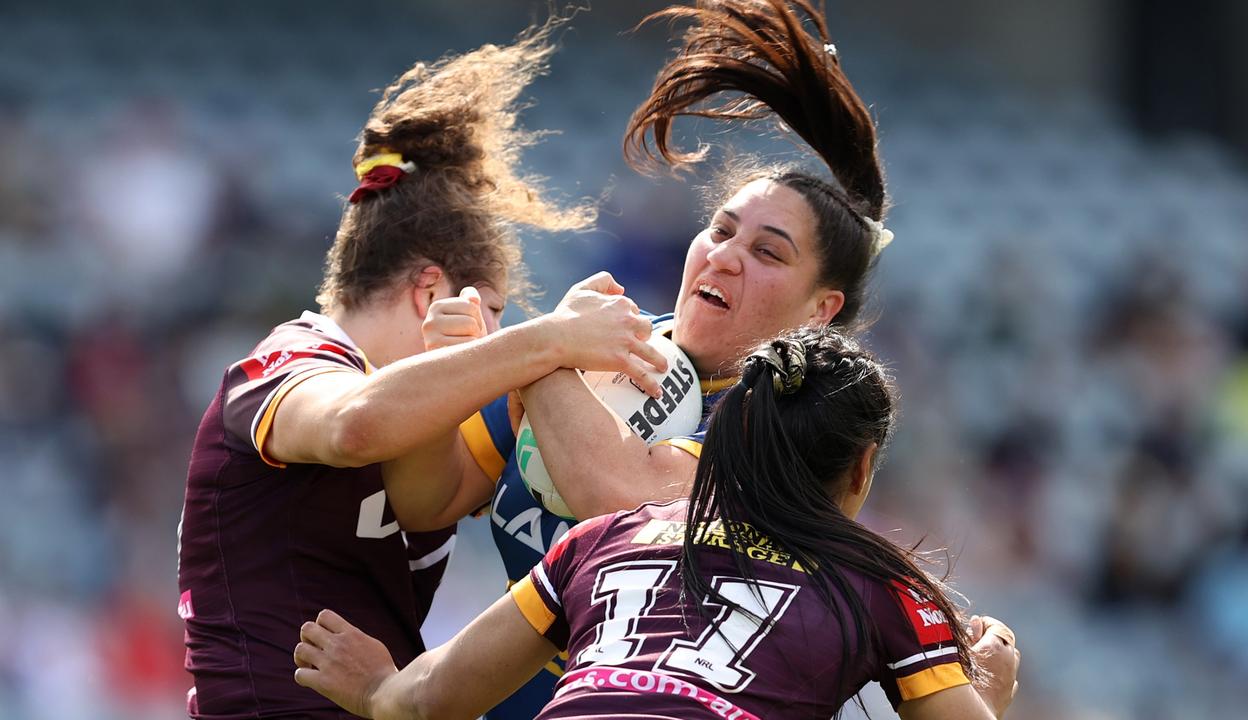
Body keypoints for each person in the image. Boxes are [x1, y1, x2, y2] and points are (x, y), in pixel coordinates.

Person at [425, 2, 918, 714]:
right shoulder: (610, 342)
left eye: (767, 251)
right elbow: (430, 496)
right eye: (720, 229)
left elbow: (629, 503)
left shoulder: (793, 418)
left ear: (820, 310)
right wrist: (446, 368)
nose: (724, 256)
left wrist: (538, 352)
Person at [176, 24, 668, 719]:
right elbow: (355, 427)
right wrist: (550, 339)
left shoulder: (447, 421)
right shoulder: (284, 365)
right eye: (494, 312)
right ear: (430, 292)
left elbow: (466, 492)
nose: (499, 335)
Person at [292, 328, 1022, 719]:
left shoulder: (607, 536)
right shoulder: (879, 582)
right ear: (861, 469)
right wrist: (988, 693)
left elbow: (430, 698)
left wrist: (373, 689)